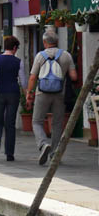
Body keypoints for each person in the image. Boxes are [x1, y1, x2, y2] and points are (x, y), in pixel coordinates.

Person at [26, 29, 79, 165]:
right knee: (57, 124)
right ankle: (55, 154)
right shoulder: (66, 55)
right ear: (57, 42)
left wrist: (29, 94)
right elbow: (74, 77)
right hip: (59, 93)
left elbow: (32, 77)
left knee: (36, 121)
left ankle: (43, 144)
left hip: (42, 92)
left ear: (45, 42)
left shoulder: (40, 56)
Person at [0, 35, 26, 162]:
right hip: (13, 93)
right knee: (10, 124)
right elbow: (23, 81)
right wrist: (26, 95)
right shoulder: (19, 62)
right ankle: (9, 153)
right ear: (15, 48)